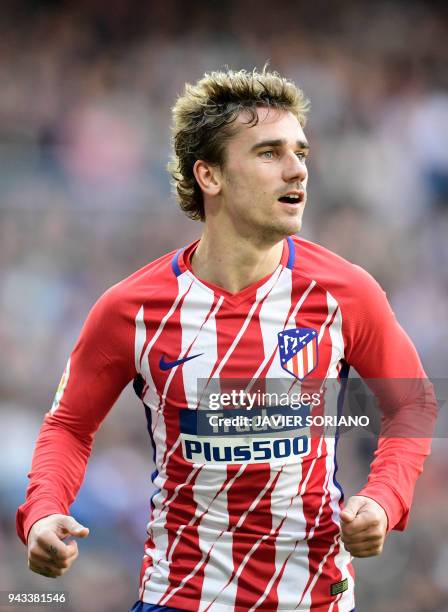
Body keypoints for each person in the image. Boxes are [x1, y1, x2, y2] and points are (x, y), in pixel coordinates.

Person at [17, 68, 436, 612]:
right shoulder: (130, 308)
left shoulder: (345, 292)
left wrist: (384, 499)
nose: (297, 171)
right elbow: (70, 425)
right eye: (269, 153)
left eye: (301, 152)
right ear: (209, 175)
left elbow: (414, 404)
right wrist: (45, 509)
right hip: (181, 597)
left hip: (315, 598)